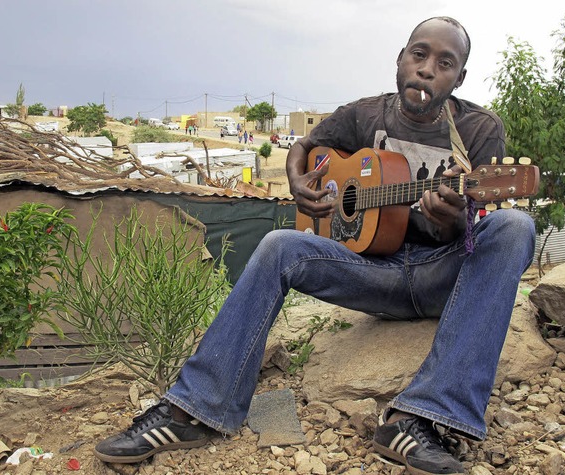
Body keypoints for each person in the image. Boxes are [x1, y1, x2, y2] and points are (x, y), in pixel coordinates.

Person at [93, 17, 535, 475]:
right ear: (400, 59)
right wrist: (298, 181)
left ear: (459, 78)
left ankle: (420, 418)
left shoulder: (481, 131)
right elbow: (304, 145)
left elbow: (478, 237)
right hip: (373, 274)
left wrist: (452, 221)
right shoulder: (365, 115)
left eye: (445, 63)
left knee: (516, 226)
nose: (426, 69)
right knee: (278, 244)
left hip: (443, 276)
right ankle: (194, 410)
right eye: (418, 54)